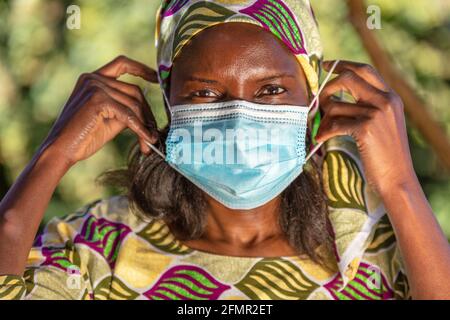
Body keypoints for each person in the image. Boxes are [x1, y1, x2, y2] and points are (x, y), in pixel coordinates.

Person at [0, 0, 449, 300]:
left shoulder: (379, 249)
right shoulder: (96, 249)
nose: (237, 116)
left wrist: (399, 184)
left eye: (271, 89)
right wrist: (53, 156)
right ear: (167, 104)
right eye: (205, 93)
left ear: (314, 103)